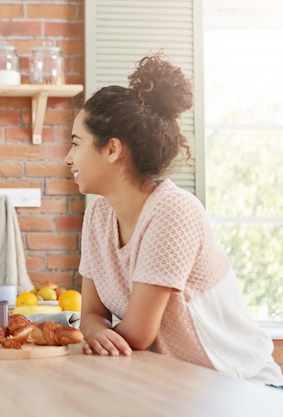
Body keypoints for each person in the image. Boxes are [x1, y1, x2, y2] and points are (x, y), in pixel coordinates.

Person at [65, 52, 283, 387]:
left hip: (242, 386)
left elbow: (138, 332)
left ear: (112, 150)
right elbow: (92, 314)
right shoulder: (98, 213)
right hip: (179, 386)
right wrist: (95, 330)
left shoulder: (173, 210)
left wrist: (95, 335)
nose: (68, 158)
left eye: (76, 144)